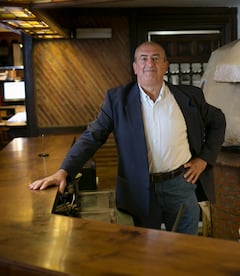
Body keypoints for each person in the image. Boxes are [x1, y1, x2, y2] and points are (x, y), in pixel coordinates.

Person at [29, 41, 226, 235]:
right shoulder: (117, 100)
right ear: (135, 67)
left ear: (166, 65)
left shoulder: (190, 96)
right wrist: (64, 170)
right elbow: (93, 136)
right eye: (144, 58)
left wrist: (204, 159)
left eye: (156, 58)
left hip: (181, 183)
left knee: (188, 249)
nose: (150, 63)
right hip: (140, 188)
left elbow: (218, 121)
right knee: (147, 254)